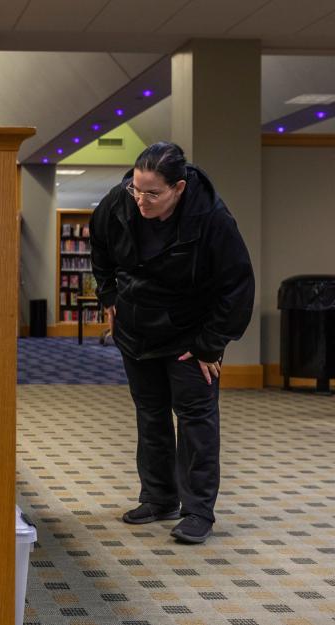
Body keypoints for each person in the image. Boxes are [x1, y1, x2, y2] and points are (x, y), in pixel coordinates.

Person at [90, 142, 254, 545]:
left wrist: (210, 345)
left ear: (178, 188)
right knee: (150, 413)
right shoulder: (119, 202)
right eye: (136, 189)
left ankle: (198, 511)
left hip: (190, 334)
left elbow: (236, 285)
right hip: (136, 327)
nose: (140, 200)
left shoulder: (213, 219)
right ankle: (159, 497)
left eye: (152, 193)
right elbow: (100, 248)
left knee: (196, 418)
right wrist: (109, 297)